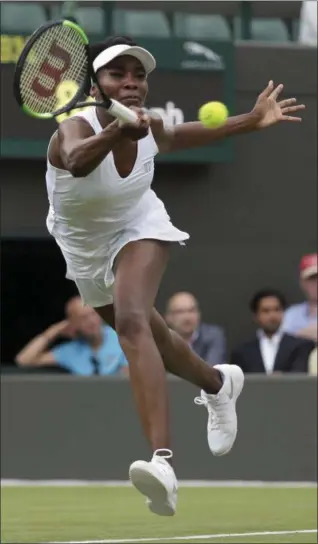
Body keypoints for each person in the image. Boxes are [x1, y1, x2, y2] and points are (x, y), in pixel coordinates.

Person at [45, 35, 305, 516]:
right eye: (117, 75)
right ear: (96, 85)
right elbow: (80, 162)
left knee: (131, 323)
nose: (131, 83)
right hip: (82, 248)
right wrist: (117, 133)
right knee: (157, 339)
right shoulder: (70, 131)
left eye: (138, 75)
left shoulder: (149, 126)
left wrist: (251, 120)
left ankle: (162, 462)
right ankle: (217, 385)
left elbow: (181, 134)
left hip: (139, 225)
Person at [15, 296, 128, 376]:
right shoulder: (70, 351)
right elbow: (23, 360)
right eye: (83, 318)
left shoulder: (122, 338)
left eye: (93, 314)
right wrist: (54, 330)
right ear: (73, 324)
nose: (91, 321)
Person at [231, 289, 315, 374]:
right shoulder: (242, 352)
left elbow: (300, 375)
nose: (272, 316)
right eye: (266, 311)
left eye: (277, 309)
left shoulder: (300, 346)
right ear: (255, 316)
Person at [165, 292, 226, 365]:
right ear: (168, 317)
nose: (187, 317)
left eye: (191, 311)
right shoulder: (161, 340)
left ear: (199, 314)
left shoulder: (213, 336)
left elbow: (212, 369)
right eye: (180, 312)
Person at [283, 254, 317, 342]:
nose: (316, 283)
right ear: (302, 283)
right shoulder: (291, 315)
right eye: (312, 279)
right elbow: (281, 346)